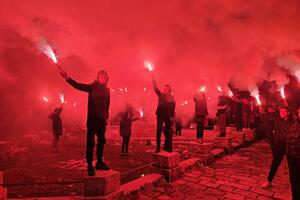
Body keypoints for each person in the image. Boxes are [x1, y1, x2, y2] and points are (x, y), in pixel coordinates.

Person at [60, 69, 110, 176]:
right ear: (98, 77)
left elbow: (107, 105)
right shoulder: (92, 87)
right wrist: (67, 78)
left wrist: (106, 118)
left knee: (102, 141)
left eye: (104, 77)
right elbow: (78, 86)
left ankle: (99, 162)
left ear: (106, 79)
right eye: (100, 76)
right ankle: (89, 165)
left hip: (101, 120)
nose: (102, 78)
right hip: (92, 119)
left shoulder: (107, 90)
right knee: (90, 142)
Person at [262, 107, 292, 188]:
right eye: (280, 111)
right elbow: (267, 119)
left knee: (292, 165)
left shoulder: (293, 121)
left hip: (290, 145)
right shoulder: (277, 120)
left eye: (283, 111)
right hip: (280, 146)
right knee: (275, 163)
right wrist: (264, 112)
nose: (281, 113)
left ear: (288, 113)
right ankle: (269, 180)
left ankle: (294, 183)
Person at [151, 74, 176, 153]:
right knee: (159, 130)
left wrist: (172, 117)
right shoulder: (161, 95)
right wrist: (153, 77)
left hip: (168, 116)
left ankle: (168, 147)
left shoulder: (172, 98)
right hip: (160, 115)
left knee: (168, 131)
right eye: (164, 88)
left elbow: (173, 108)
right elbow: (155, 88)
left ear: (169, 90)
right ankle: (158, 147)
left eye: (166, 88)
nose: (164, 89)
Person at [286, 108, 300, 200]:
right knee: (294, 181)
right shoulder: (293, 126)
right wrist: (288, 156)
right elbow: (288, 142)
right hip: (293, 159)